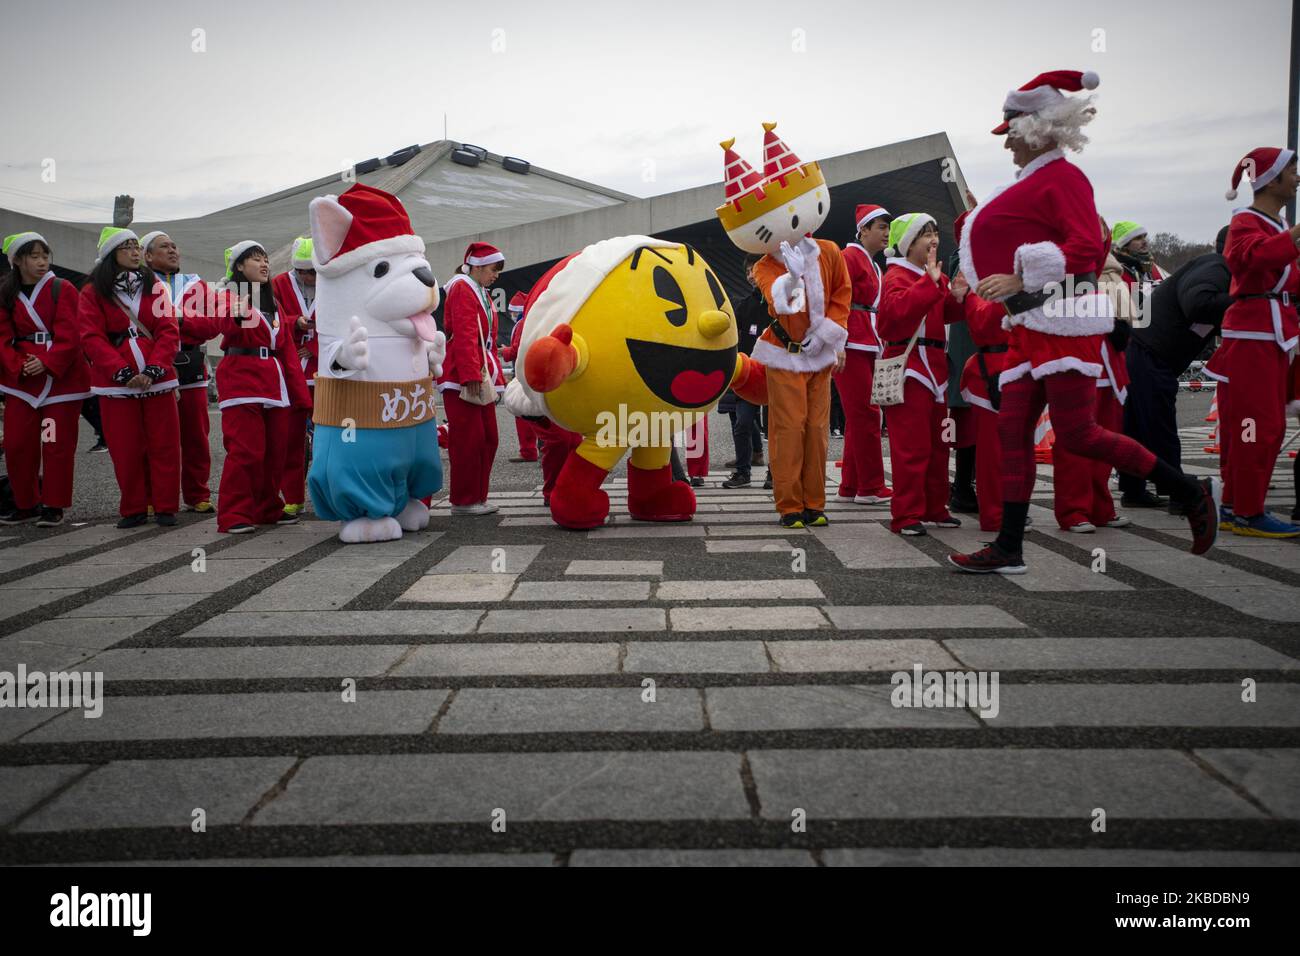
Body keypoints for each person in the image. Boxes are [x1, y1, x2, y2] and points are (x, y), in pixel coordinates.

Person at [949, 70, 1218, 574]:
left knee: (1078, 433)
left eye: (1010, 133)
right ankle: (1009, 545)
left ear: (1035, 129)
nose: (1006, 146)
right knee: (1012, 433)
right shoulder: (1039, 178)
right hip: (1033, 327)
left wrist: (1018, 276)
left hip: (1064, 326)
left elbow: (1086, 249)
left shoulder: (1064, 177)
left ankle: (1189, 490)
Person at [1204, 147, 1300, 538]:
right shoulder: (1245, 221)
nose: (1297, 177)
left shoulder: (1275, 224)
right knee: (1252, 425)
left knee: (1265, 425)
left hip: (1274, 332)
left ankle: (1237, 506)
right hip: (1251, 336)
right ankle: (1244, 510)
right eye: (1292, 171)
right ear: (1270, 180)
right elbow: (1249, 259)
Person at [77, 227, 182, 528]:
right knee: (126, 448)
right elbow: (91, 336)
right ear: (111, 254)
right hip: (115, 384)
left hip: (157, 379)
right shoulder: (92, 291)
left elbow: (167, 330)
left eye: (137, 246)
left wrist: (153, 369)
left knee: (165, 445)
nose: (136, 252)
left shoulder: (155, 287)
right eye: (127, 247)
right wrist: (122, 372)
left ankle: (165, 506)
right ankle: (133, 507)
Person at [1121, 225, 1233, 508]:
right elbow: (1198, 303)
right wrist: (1244, 301)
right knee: (1159, 425)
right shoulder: (1217, 268)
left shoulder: (1218, 268)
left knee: (1137, 424)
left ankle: (1133, 490)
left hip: (1147, 349)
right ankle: (1179, 493)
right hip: (1150, 352)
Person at [875, 213, 966, 535]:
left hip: (936, 367)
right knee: (910, 447)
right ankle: (906, 515)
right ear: (908, 243)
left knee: (940, 443)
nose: (933, 239)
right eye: (925, 234)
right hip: (909, 367)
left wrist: (957, 295)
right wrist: (930, 283)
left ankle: (935, 506)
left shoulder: (934, 275)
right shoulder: (897, 276)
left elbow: (946, 315)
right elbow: (890, 319)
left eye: (935, 232)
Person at [213, 240, 311, 533]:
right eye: (256, 259)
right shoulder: (229, 297)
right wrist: (225, 298)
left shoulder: (273, 303)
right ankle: (233, 514)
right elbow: (216, 326)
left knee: (274, 451)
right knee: (245, 451)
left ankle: (267, 507)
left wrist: (300, 396)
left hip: (274, 381)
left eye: (266, 259)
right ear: (239, 266)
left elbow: (288, 352)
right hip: (241, 379)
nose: (264, 264)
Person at [0, 232, 89, 526]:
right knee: (16, 443)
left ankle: (54, 504)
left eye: (44, 256)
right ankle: (25, 503)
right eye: (34, 256)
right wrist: (18, 365)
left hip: (61, 381)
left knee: (56, 443)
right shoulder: (5, 292)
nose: (41, 262)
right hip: (22, 380)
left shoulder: (61, 288)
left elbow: (72, 334)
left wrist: (48, 362)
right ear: (17, 260)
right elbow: (2, 337)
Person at [1051, 227, 1133, 532]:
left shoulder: (1110, 276)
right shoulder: (1058, 272)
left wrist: (1118, 326)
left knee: (1106, 439)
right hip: (1076, 363)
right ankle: (1073, 510)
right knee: (1074, 441)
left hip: (1108, 366)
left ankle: (1100, 507)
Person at [142, 229, 222, 513]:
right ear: (147, 256)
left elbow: (213, 324)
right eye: (165, 247)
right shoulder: (136, 284)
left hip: (190, 365)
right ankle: (152, 497)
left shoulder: (195, 284)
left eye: (175, 246)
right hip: (150, 367)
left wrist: (179, 319)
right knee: (155, 438)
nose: (173, 250)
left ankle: (197, 494)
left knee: (196, 435)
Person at [437, 242, 505, 515]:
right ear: (476, 266)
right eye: (493, 269)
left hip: (477, 368)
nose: (496, 275)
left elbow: (484, 339)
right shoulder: (462, 287)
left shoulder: (479, 290)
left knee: (488, 437)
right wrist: (469, 373)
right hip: (462, 372)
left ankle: (476, 496)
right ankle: (464, 500)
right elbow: (464, 332)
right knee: (469, 439)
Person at [836, 204, 893, 505]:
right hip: (851, 343)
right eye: (881, 227)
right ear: (864, 230)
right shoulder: (849, 258)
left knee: (859, 416)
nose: (886, 233)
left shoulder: (871, 262)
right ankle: (871, 487)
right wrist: (837, 342)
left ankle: (851, 486)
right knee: (867, 414)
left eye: (888, 227)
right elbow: (836, 299)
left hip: (866, 341)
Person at [270, 237, 318, 516]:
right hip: (291, 372)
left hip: (324, 370)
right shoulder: (279, 284)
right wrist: (294, 323)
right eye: (304, 272)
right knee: (292, 439)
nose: (309, 277)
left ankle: (331, 493)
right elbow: (271, 319)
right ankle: (293, 496)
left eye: (313, 271)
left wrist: (312, 346)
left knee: (331, 437)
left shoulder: (332, 281)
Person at [721, 255, 768, 489]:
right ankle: (742, 472)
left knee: (776, 427)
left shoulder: (780, 302)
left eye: (755, 269)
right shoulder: (743, 305)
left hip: (776, 372)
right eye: (748, 271)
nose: (751, 275)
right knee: (742, 423)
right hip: (748, 373)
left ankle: (775, 473)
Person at [500, 292, 540, 463]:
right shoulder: (531, 320)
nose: (511, 314)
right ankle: (537, 449)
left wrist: (504, 352)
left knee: (522, 412)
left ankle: (529, 450)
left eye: (512, 311)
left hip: (523, 371)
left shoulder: (521, 324)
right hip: (530, 370)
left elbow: (517, 349)